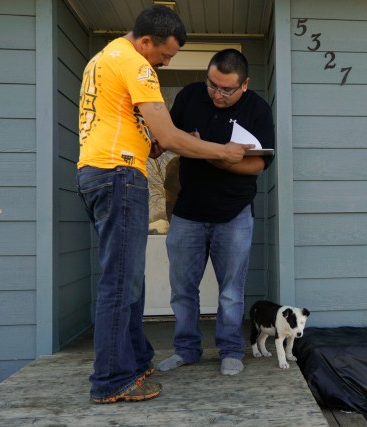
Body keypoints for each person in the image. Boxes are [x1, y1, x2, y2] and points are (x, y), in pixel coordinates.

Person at [76, 6, 251, 404]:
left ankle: (137, 362)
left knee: (128, 279)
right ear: (146, 42)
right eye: (165, 56)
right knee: (120, 283)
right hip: (119, 174)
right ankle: (111, 380)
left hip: (97, 171)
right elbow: (169, 139)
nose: (166, 63)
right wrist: (223, 151)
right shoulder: (135, 64)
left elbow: (145, 135)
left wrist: (157, 142)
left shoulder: (101, 59)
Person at [156, 49, 275, 376]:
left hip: (234, 214)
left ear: (245, 84)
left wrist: (204, 152)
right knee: (182, 290)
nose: (217, 95)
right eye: (212, 85)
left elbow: (255, 165)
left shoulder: (258, 110)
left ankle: (230, 350)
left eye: (227, 89)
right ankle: (186, 350)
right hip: (187, 211)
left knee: (230, 292)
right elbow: (169, 139)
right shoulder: (190, 97)